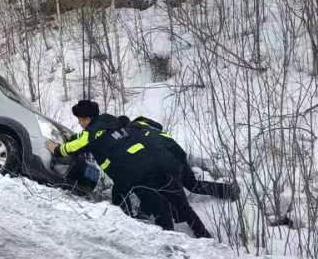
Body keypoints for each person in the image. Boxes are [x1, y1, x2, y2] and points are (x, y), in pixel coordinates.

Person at [46, 100, 212, 238]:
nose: (79, 123)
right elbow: (89, 136)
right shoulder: (109, 120)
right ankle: (204, 237)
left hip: (132, 173)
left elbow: (75, 146)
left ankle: (165, 246)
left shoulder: (91, 134)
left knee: (146, 207)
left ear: (87, 119)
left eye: (80, 120)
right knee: (182, 206)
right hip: (154, 161)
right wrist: (73, 137)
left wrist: (56, 149)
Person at [121, 115, 240, 201]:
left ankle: (229, 191)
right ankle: (228, 190)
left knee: (181, 186)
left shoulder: (130, 135)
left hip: (167, 157)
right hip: (175, 148)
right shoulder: (142, 121)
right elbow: (159, 126)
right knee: (192, 184)